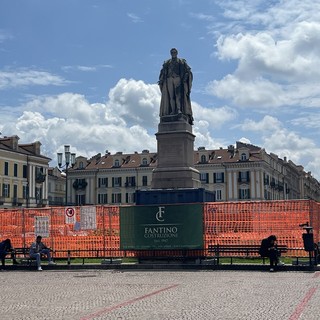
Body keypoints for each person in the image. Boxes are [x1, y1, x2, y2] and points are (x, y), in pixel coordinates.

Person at [158, 48, 194, 125]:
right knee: (171, 96)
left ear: (177, 53)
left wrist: (185, 77)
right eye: (172, 52)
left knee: (178, 95)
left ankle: (178, 109)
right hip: (169, 79)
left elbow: (188, 70)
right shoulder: (167, 62)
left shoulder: (181, 61)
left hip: (178, 78)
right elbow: (163, 72)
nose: (173, 53)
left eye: (174, 52)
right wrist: (161, 79)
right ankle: (173, 110)